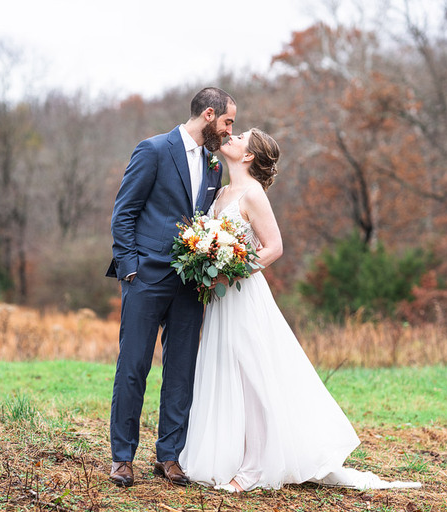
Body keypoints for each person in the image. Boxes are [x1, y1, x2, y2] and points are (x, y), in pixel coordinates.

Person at [179, 128, 421, 493]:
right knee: (229, 373)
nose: (231, 136)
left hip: (244, 296)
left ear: (248, 156)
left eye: (240, 136)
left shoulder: (253, 194)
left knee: (255, 377)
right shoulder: (220, 191)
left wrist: (230, 271)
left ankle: (255, 469)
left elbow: (274, 247)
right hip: (220, 300)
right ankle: (230, 455)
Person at [105, 87, 237, 488]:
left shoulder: (214, 166)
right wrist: (131, 270)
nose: (231, 131)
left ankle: (170, 456)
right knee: (134, 367)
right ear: (209, 115)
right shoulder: (154, 150)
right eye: (228, 121)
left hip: (189, 285)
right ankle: (122, 458)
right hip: (146, 278)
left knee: (181, 371)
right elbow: (123, 212)